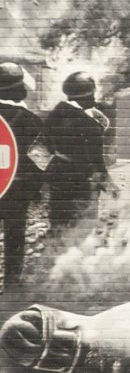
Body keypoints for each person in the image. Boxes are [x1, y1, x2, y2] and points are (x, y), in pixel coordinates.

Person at [42, 72, 112, 232]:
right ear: (85, 96)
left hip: (57, 175)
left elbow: (44, 147)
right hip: (81, 179)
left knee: (59, 221)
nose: (94, 99)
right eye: (92, 95)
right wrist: (107, 182)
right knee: (82, 224)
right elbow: (96, 160)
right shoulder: (89, 123)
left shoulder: (54, 115)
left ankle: (56, 244)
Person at [0, 63, 44, 286]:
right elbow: (41, 161)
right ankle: (12, 281)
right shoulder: (31, 120)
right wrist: (35, 189)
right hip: (17, 190)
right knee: (14, 233)